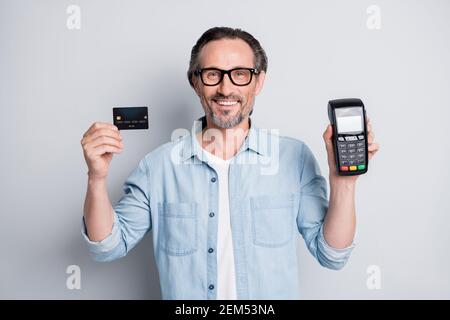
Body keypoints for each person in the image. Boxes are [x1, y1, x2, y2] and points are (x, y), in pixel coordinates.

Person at [80, 27, 380, 299]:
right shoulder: (157, 167)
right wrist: (96, 178)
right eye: (212, 74)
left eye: (240, 73)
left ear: (258, 81)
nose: (225, 89)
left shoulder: (294, 158)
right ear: (195, 82)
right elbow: (107, 246)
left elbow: (332, 255)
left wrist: (344, 183)